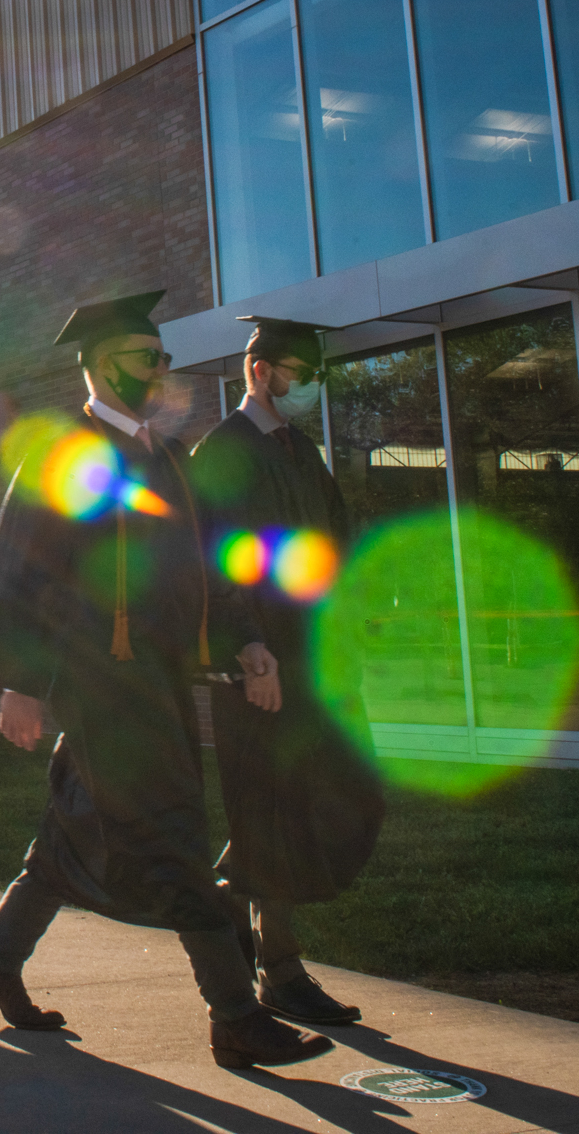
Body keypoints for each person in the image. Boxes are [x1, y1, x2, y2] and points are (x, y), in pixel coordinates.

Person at [0, 291, 333, 1070]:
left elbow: (202, 566)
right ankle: (235, 1015)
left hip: (155, 678)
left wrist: (248, 641)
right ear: (99, 364)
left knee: (70, 836)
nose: (161, 371)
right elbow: (25, 570)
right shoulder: (67, 449)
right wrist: (19, 682)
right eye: (146, 358)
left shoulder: (164, 455)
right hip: (100, 682)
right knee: (177, 836)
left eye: (163, 359)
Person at [188, 318, 386, 1028]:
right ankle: (281, 966)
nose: (306, 386)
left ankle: (223, 899)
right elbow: (216, 556)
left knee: (349, 795)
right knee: (273, 806)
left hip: (315, 659)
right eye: (297, 371)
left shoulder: (302, 451)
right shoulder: (222, 451)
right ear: (257, 370)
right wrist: (246, 648)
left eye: (314, 375)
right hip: (263, 663)